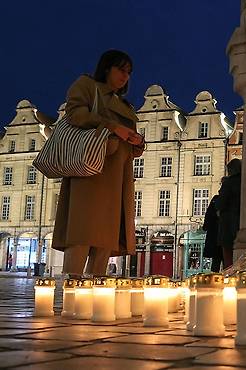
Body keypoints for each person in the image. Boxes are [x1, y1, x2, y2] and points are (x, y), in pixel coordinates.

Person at [52, 50, 145, 277]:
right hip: (88, 172)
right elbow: (75, 115)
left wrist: (137, 142)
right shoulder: (87, 86)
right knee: (82, 235)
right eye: (121, 70)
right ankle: (70, 293)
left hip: (117, 177)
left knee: (105, 241)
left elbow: (129, 145)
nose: (126, 76)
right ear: (107, 68)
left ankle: (96, 297)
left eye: (129, 73)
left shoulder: (126, 105)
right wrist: (112, 127)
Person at [216, 158, 242, 268]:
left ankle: (230, 275)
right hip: (242, 220)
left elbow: (220, 203)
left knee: (228, 253)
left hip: (228, 222)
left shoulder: (228, 183)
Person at [203, 191, 222, 272]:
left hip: (216, 237)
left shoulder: (216, 200)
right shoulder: (216, 200)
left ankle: (215, 277)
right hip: (221, 235)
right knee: (221, 259)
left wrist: (206, 226)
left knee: (216, 260)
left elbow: (208, 217)